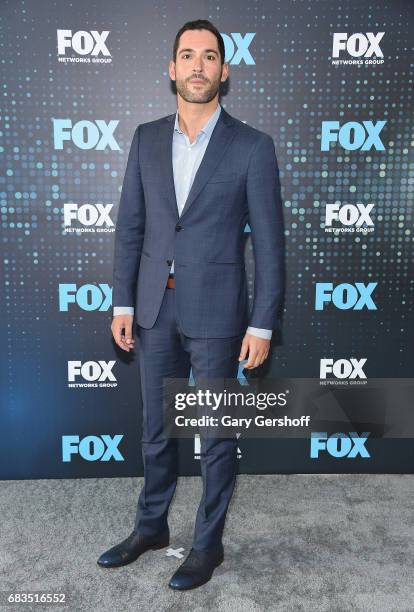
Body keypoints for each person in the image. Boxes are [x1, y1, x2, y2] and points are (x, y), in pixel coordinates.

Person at [97, 18, 285, 590]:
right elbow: (130, 227)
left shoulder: (252, 147)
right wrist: (122, 302)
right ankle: (150, 526)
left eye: (209, 56)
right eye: (187, 55)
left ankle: (208, 545)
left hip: (219, 315)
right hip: (154, 308)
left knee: (216, 433)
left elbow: (272, 247)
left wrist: (263, 322)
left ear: (223, 72)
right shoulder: (146, 138)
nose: (197, 65)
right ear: (172, 69)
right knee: (156, 429)